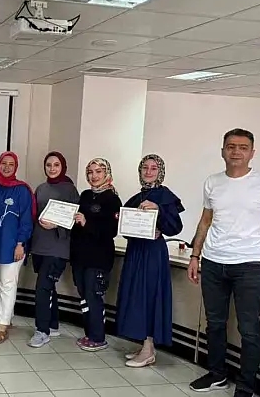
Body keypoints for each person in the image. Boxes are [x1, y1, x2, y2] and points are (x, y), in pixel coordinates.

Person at [188, 129, 260, 397]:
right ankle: (217, 374)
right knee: (214, 324)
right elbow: (205, 221)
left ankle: (245, 385)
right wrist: (195, 255)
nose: (236, 152)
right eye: (231, 146)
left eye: (243, 147)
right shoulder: (213, 182)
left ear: (252, 153)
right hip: (213, 262)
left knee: (249, 329)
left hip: (248, 266)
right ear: (222, 151)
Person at [116, 154, 184, 367]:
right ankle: (146, 346)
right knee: (136, 295)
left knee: (149, 296)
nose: (148, 172)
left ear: (160, 171)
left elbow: (175, 227)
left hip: (152, 253)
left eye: (154, 168)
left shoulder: (165, 196)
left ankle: (148, 349)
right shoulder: (137, 197)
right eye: (145, 167)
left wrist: (159, 210)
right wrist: (122, 220)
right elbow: (127, 230)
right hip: (136, 251)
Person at [28, 151, 79, 348]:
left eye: (56, 165)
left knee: (42, 288)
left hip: (58, 247)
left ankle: (42, 331)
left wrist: (56, 224)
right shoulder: (41, 188)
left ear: (63, 167)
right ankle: (53, 324)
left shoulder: (70, 190)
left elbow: (75, 220)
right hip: (39, 246)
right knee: (48, 287)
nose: (52, 168)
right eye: (48, 165)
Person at [71, 158, 122, 352]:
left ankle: (98, 337)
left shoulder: (112, 199)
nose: (94, 176)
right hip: (80, 256)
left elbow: (111, 230)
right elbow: (76, 225)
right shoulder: (85, 195)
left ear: (106, 173)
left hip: (98, 258)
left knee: (94, 296)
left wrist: (87, 223)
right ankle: (89, 333)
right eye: (90, 172)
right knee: (84, 296)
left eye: (99, 171)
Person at [0, 151, 35, 344]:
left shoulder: (22, 190)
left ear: (16, 167)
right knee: (1, 284)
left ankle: (2, 326)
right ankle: (6, 318)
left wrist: (21, 243)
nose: (6, 167)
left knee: (8, 284)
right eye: (3, 163)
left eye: (11, 164)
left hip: (13, 246)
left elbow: (27, 220)